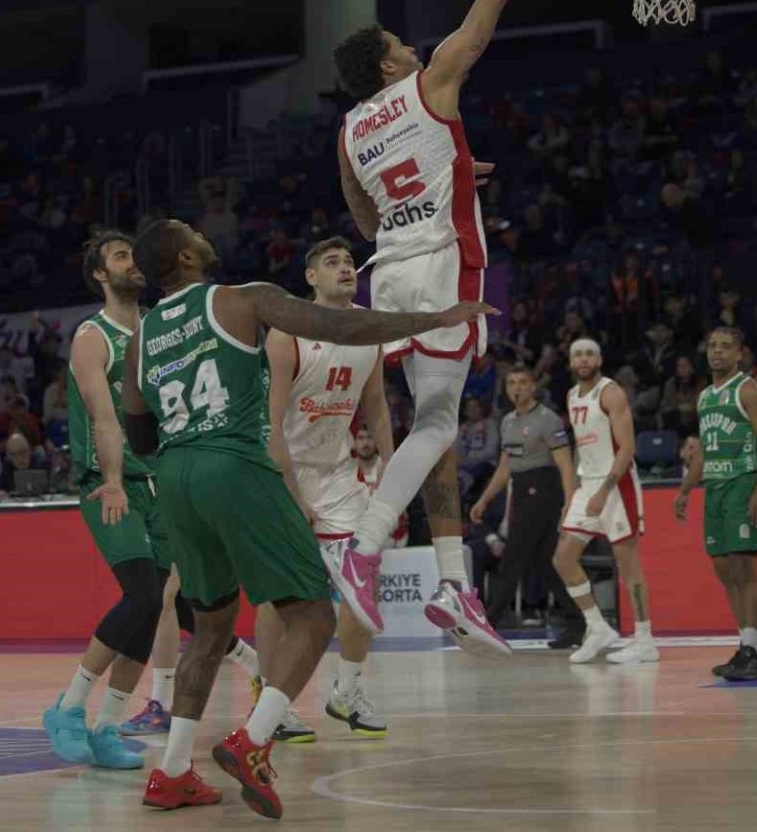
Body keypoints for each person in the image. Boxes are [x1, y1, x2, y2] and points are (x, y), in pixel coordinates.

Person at [119, 218, 490, 816]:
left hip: (176, 475)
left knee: (210, 630)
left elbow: (139, 435)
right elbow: (342, 325)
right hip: (235, 463)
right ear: (185, 256)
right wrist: (433, 320)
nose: (202, 235)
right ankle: (253, 740)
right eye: (192, 231)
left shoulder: (141, 339)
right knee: (314, 613)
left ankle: (172, 772)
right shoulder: (242, 299)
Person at [325, 0, 584, 655]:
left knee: (432, 423)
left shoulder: (348, 130)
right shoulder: (433, 80)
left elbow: (363, 216)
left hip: (390, 274)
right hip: (439, 264)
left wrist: (454, 173)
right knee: (436, 427)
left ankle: (452, 585)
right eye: (399, 44)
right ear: (387, 64)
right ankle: (364, 548)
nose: (413, 46)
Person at [41, 230, 177, 774]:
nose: (133, 262)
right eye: (122, 256)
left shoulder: (159, 330)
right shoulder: (92, 337)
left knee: (153, 608)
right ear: (101, 274)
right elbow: (103, 418)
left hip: (161, 483)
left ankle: (108, 727)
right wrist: (116, 479)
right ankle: (68, 708)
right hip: (110, 484)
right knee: (141, 594)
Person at [264, 238, 397, 740]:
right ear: (311, 277)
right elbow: (271, 424)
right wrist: (292, 494)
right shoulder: (287, 331)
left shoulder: (369, 328)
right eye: (332, 262)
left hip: (339, 472)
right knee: (282, 597)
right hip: (285, 470)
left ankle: (347, 690)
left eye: (349, 262)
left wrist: (392, 467)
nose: (345, 268)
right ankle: (273, 701)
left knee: (364, 578)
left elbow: (376, 405)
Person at [675, 328, 757, 681]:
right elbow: (705, 449)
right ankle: (752, 645)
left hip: (743, 482)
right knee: (723, 568)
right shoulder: (705, 397)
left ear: (739, 354)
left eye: (725, 346)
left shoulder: (748, 389)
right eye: (712, 346)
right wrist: (685, 489)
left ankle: (752, 649)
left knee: (744, 566)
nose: (717, 351)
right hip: (715, 487)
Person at [552, 339, 658, 664]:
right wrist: (573, 495)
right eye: (577, 355)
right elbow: (580, 448)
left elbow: (627, 448)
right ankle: (598, 628)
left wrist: (603, 491)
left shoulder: (611, 392)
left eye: (589, 354)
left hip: (617, 483)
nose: (583, 359)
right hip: (587, 483)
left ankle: (645, 640)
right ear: (571, 363)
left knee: (627, 564)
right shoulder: (571, 395)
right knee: (563, 559)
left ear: (599, 359)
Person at [470, 364, 580, 647]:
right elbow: (505, 466)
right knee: (547, 562)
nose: (517, 388)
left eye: (522, 382)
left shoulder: (547, 419)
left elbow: (565, 464)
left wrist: (570, 501)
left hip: (543, 488)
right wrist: (484, 499)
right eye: (511, 383)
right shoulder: (507, 421)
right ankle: (580, 623)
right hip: (520, 489)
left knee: (513, 557)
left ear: (533, 386)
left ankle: (490, 623)